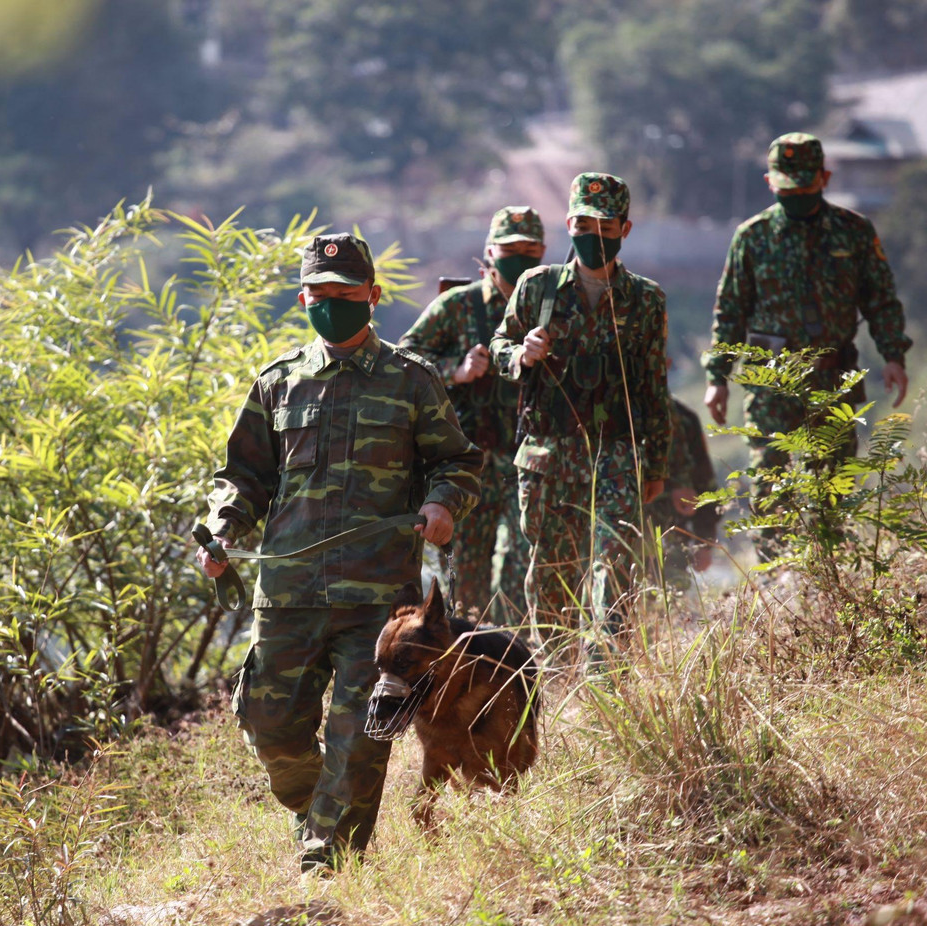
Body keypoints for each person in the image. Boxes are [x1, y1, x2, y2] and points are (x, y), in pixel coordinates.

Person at [196, 232, 482, 873]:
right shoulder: (277, 384)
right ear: (303, 298)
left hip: (380, 604)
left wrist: (442, 505)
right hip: (289, 593)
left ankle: (326, 861)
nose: (332, 305)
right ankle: (317, 813)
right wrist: (221, 531)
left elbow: (457, 461)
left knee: (361, 736)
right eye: (319, 295)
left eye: (346, 294)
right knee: (270, 727)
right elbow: (243, 477)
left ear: (373, 297)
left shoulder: (411, 380)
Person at [702, 133, 911, 561]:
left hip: (834, 378)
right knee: (769, 487)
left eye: (805, 184)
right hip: (772, 384)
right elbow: (731, 312)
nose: (796, 194)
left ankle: (827, 588)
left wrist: (893, 356)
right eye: (787, 186)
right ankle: (778, 592)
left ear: (825, 178)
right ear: (769, 182)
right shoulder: (752, 237)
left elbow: (881, 298)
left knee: (833, 488)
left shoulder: (853, 232)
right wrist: (717, 378)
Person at [489, 173, 671, 664]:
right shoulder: (538, 286)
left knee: (614, 567)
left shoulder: (645, 299)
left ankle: (605, 679)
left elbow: (654, 386)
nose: (595, 235)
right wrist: (521, 354)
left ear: (624, 230)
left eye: (606, 227)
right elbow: (499, 345)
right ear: (568, 222)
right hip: (550, 457)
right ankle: (556, 677)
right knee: (552, 571)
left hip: (615, 454)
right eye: (585, 223)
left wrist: (654, 465)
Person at [398, 206, 545, 623]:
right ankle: (467, 658)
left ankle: (523, 656)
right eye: (510, 249)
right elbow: (406, 361)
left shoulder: (550, 305)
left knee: (527, 566)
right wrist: (456, 371)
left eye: (530, 249)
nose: (520, 258)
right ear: (490, 252)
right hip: (470, 464)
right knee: (467, 575)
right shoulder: (457, 306)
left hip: (529, 460)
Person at [646, 392, 721, 586]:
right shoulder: (608, 412)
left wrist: (704, 540)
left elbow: (704, 482)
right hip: (622, 531)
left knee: (673, 588)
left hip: (671, 531)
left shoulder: (683, 417)